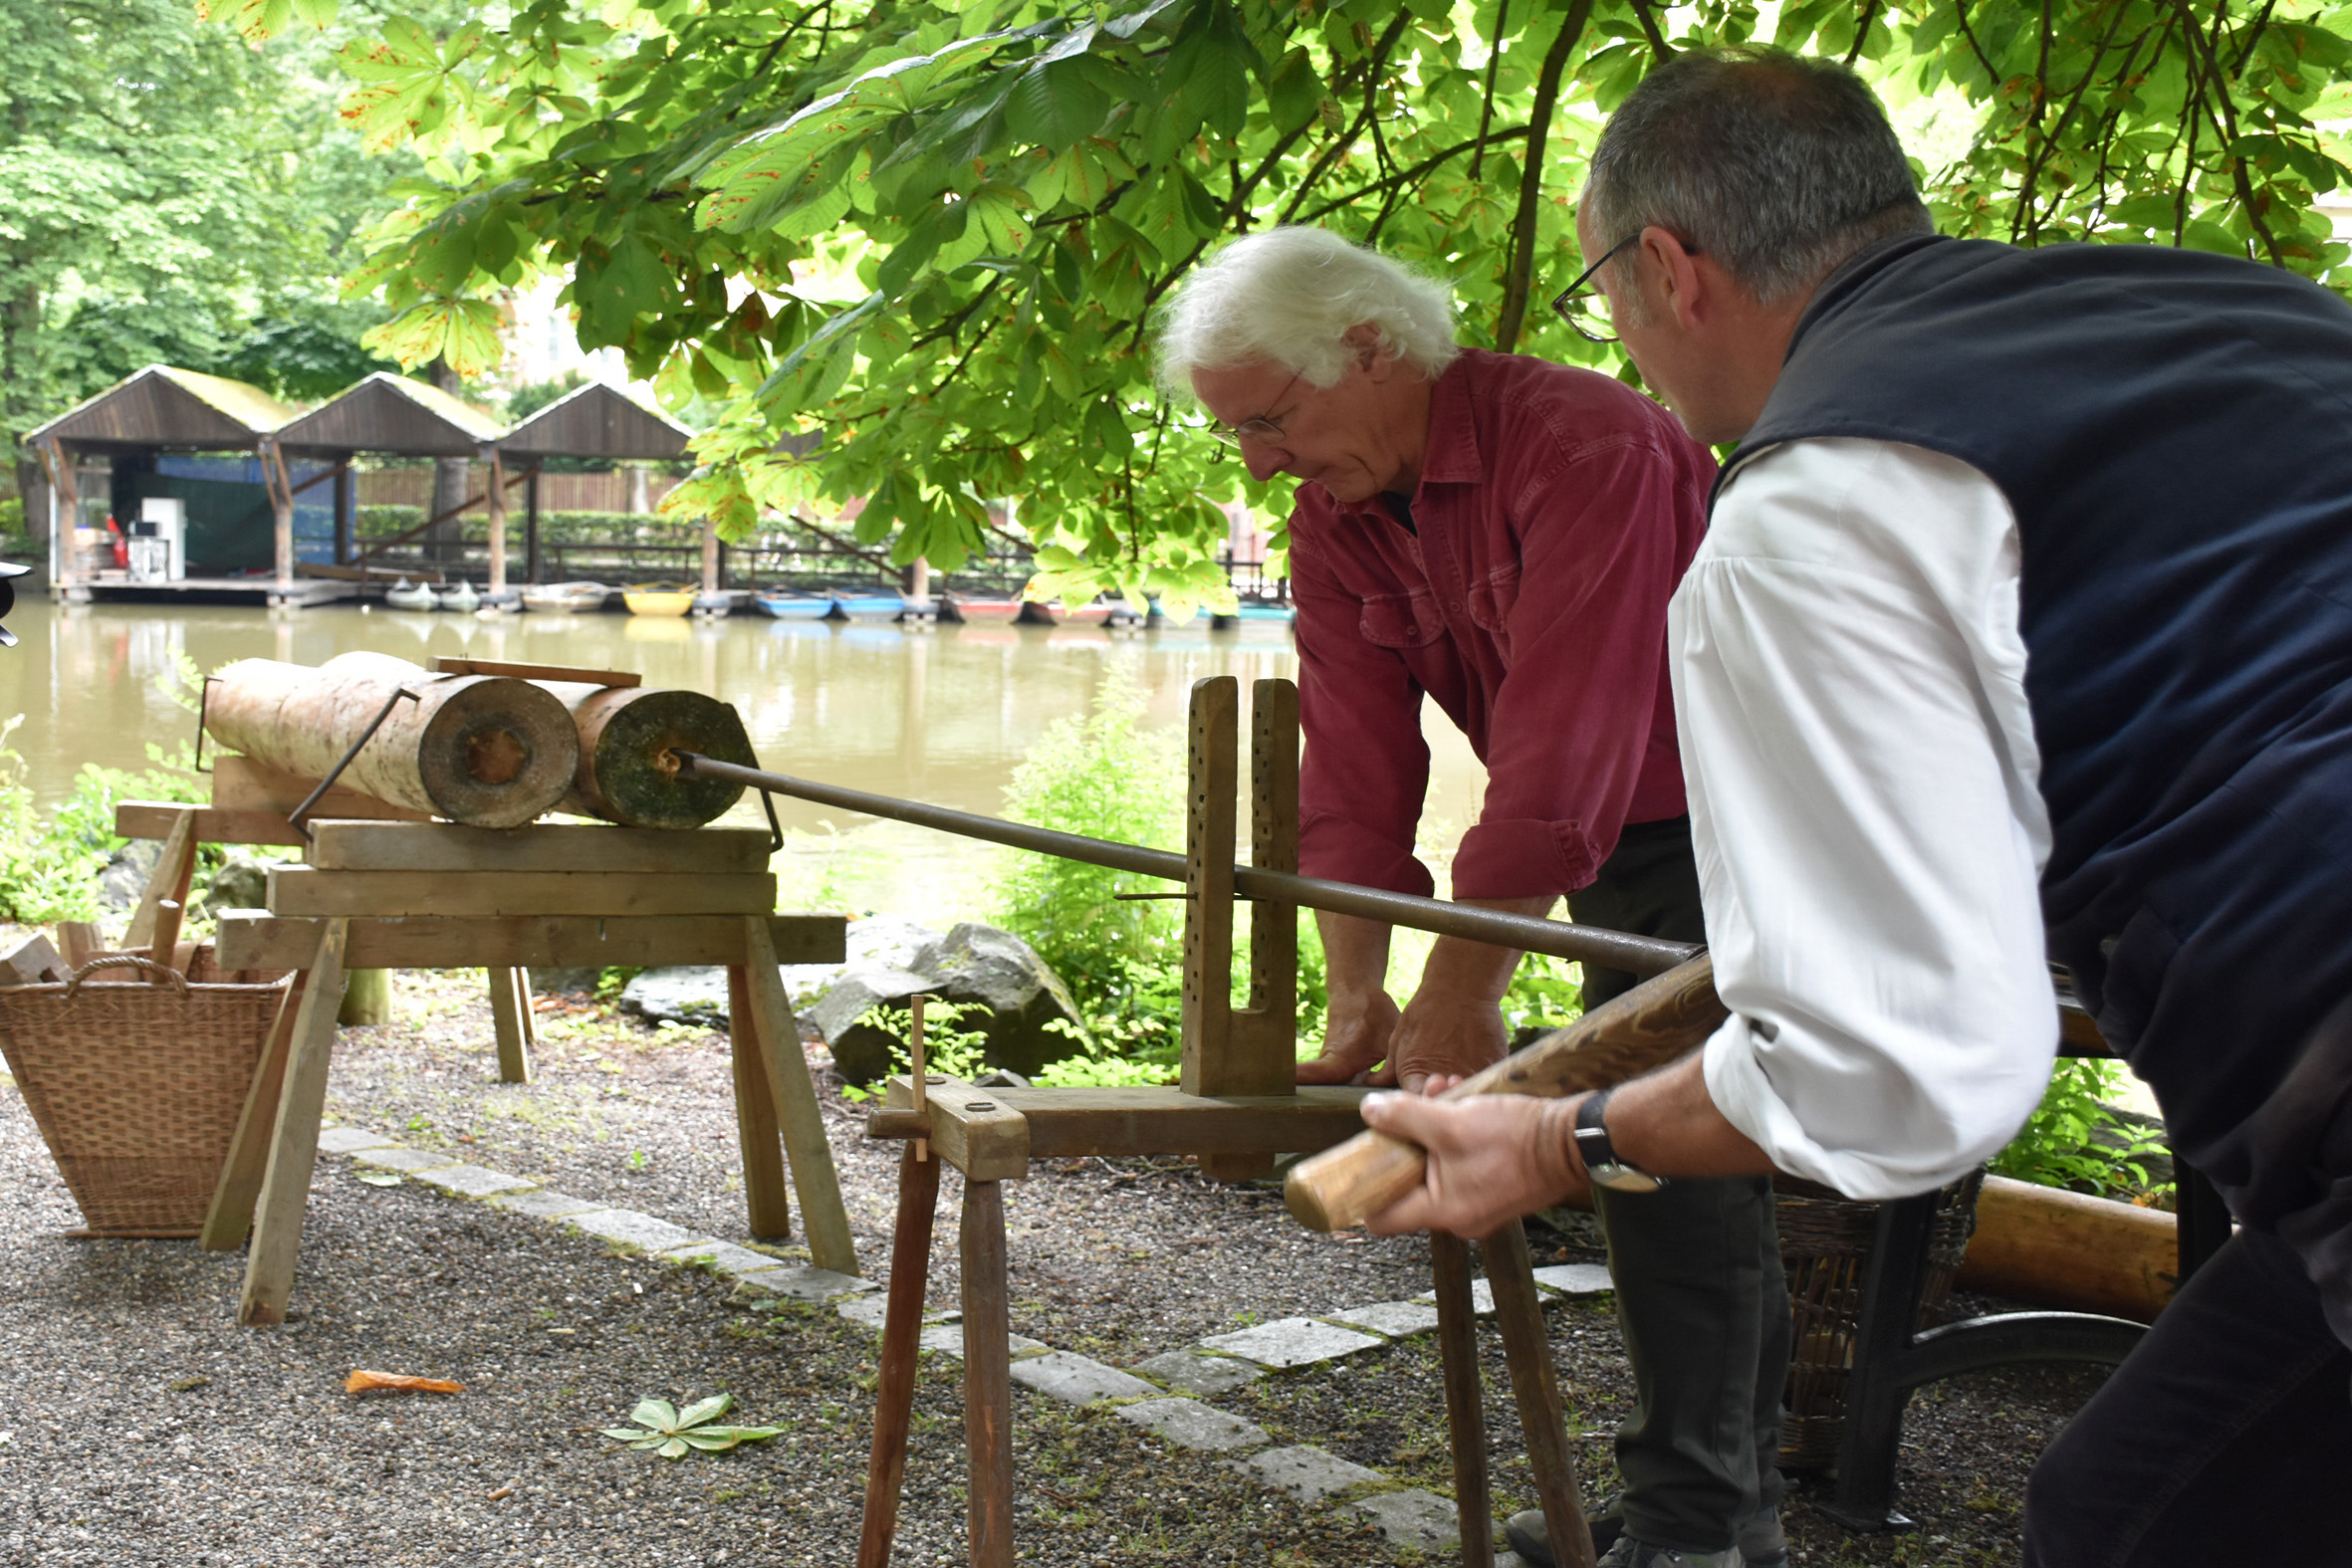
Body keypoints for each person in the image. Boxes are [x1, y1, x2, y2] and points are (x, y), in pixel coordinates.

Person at [1359, 47, 2352, 1567]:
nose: (1623, 347)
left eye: (1604, 299)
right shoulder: (2245, 314)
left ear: (1670, 271)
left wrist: (1566, 1143)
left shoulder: (1813, 509)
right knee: (2135, 1507)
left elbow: (1901, 1075)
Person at [1156, 227, 1789, 1568]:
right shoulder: (1332, 514)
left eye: (1270, 418)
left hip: (1753, 818)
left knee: (1660, 1147)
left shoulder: (1587, 443)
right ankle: (1700, 1496)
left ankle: (1699, 1529)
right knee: (1651, 1150)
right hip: (1614, 827)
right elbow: (1357, 776)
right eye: (1239, 436)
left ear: (1373, 350)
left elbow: (1565, 749)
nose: (1260, 458)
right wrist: (1354, 986)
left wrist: (1458, 997)